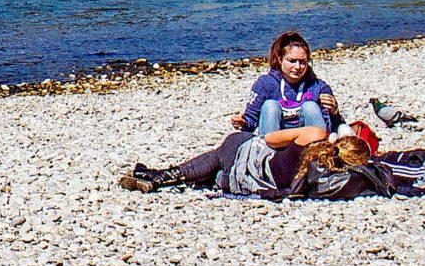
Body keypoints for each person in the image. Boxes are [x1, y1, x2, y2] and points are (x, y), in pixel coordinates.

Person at [120, 30, 337, 192]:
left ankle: (165, 176)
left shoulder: (317, 90)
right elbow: (252, 117)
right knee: (266, 111)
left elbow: (324, 127)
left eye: (303, 62)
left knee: (230, 148)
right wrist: (244, 122)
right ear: (279, 59)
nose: (298, 67)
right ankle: (167, 177)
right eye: (292, 61)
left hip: (278, 155)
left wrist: (332, 111)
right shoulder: (267, 84)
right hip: (283, 157)